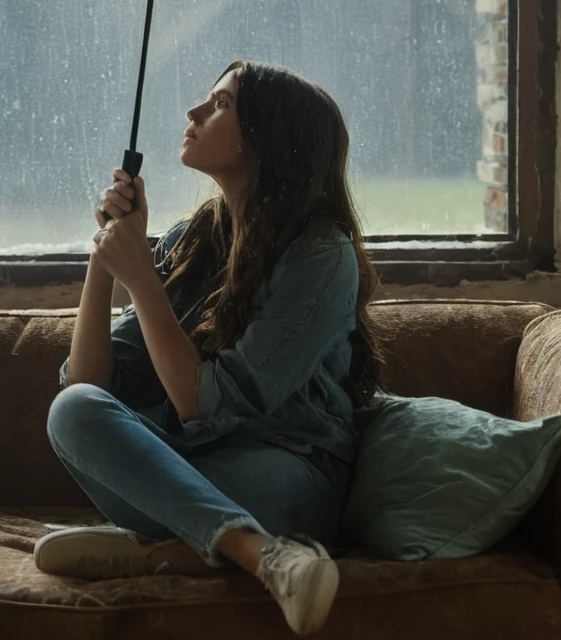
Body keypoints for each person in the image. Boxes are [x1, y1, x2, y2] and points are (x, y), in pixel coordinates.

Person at [34, 59, 384, 636]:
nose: (194, 112)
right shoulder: (194, 241)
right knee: (71, 411)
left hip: (293, 475)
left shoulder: (321, 256)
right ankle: (234, 552)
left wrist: (143, 281)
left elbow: (209, 404)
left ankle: (181, 548)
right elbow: (90, 384)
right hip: (188, 470)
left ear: (265, 137)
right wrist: (105, 260)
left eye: (220, 104)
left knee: (173, 473)